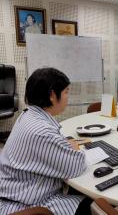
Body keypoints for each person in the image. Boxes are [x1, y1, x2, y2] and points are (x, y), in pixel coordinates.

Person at [0, 68, 90, 214]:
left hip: (15, 193)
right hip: (29, 205)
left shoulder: (27, 115)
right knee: (94, 202)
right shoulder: (42, 132)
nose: (68, 97)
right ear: (52, 95)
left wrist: (65, 147)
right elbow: (76, 166)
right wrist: (75, 148)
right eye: (66, 91)